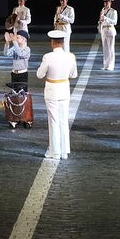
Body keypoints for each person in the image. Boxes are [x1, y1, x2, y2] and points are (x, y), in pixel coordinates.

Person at [36, 28, 79, 159]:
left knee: (53, 120)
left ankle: (54, 151)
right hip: (64, 89)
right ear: (63, 42)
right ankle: (64, 151)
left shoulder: (48, 57)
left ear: (53, 43)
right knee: (63, 120)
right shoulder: (70, 56)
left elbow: (39, 74)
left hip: (52, 90)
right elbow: (74, 75)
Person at [97, 0, 119, 68]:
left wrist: (106, 18)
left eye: (107, 2)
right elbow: (101, 20)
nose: (106, 4)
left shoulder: (113, 11)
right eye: (105, 2)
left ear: (110, 3)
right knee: (105, 49)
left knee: (111, 49)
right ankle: (105, 65)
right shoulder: (102, 10)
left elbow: (115, 22)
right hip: (104, 30)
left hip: (110, 30)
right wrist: (100, 26)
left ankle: (111, 65)